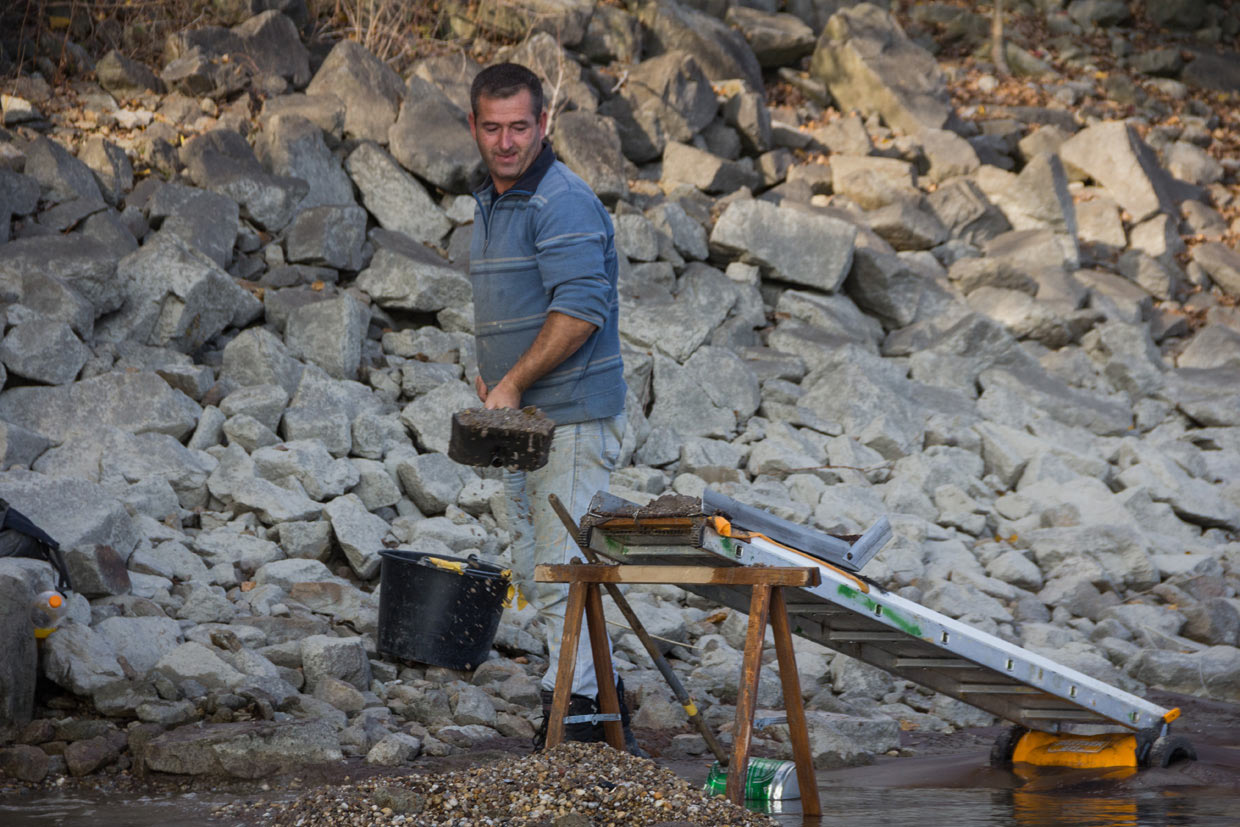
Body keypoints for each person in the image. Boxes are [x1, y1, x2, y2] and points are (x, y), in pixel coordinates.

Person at [466, 62, 638, 753]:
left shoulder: (561, 200)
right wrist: (494, 380)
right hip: (524, 422)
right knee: (538, 566)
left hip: (572, 417)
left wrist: (511, 382)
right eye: (492, 127)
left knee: (565, 569)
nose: (506, 142)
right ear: (474, 127)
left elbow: (581, 311)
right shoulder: (492, 199)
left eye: (519, 126)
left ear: (543, 123)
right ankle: (600, 702)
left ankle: (578, 719)